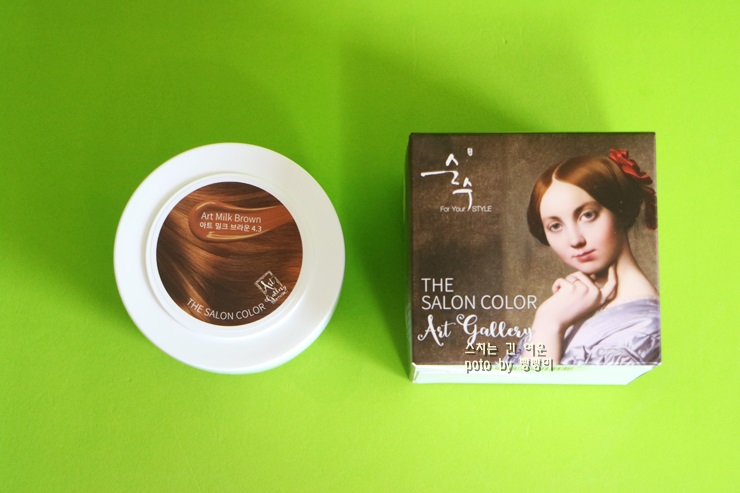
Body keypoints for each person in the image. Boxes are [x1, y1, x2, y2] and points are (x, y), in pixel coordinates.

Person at [523, 149, 660, 365]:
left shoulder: (644, 330)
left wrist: (548, 323)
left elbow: (532, 386)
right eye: (555, 226)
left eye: (587, 215)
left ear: (620, 211)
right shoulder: (570, 304)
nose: (574, 240)